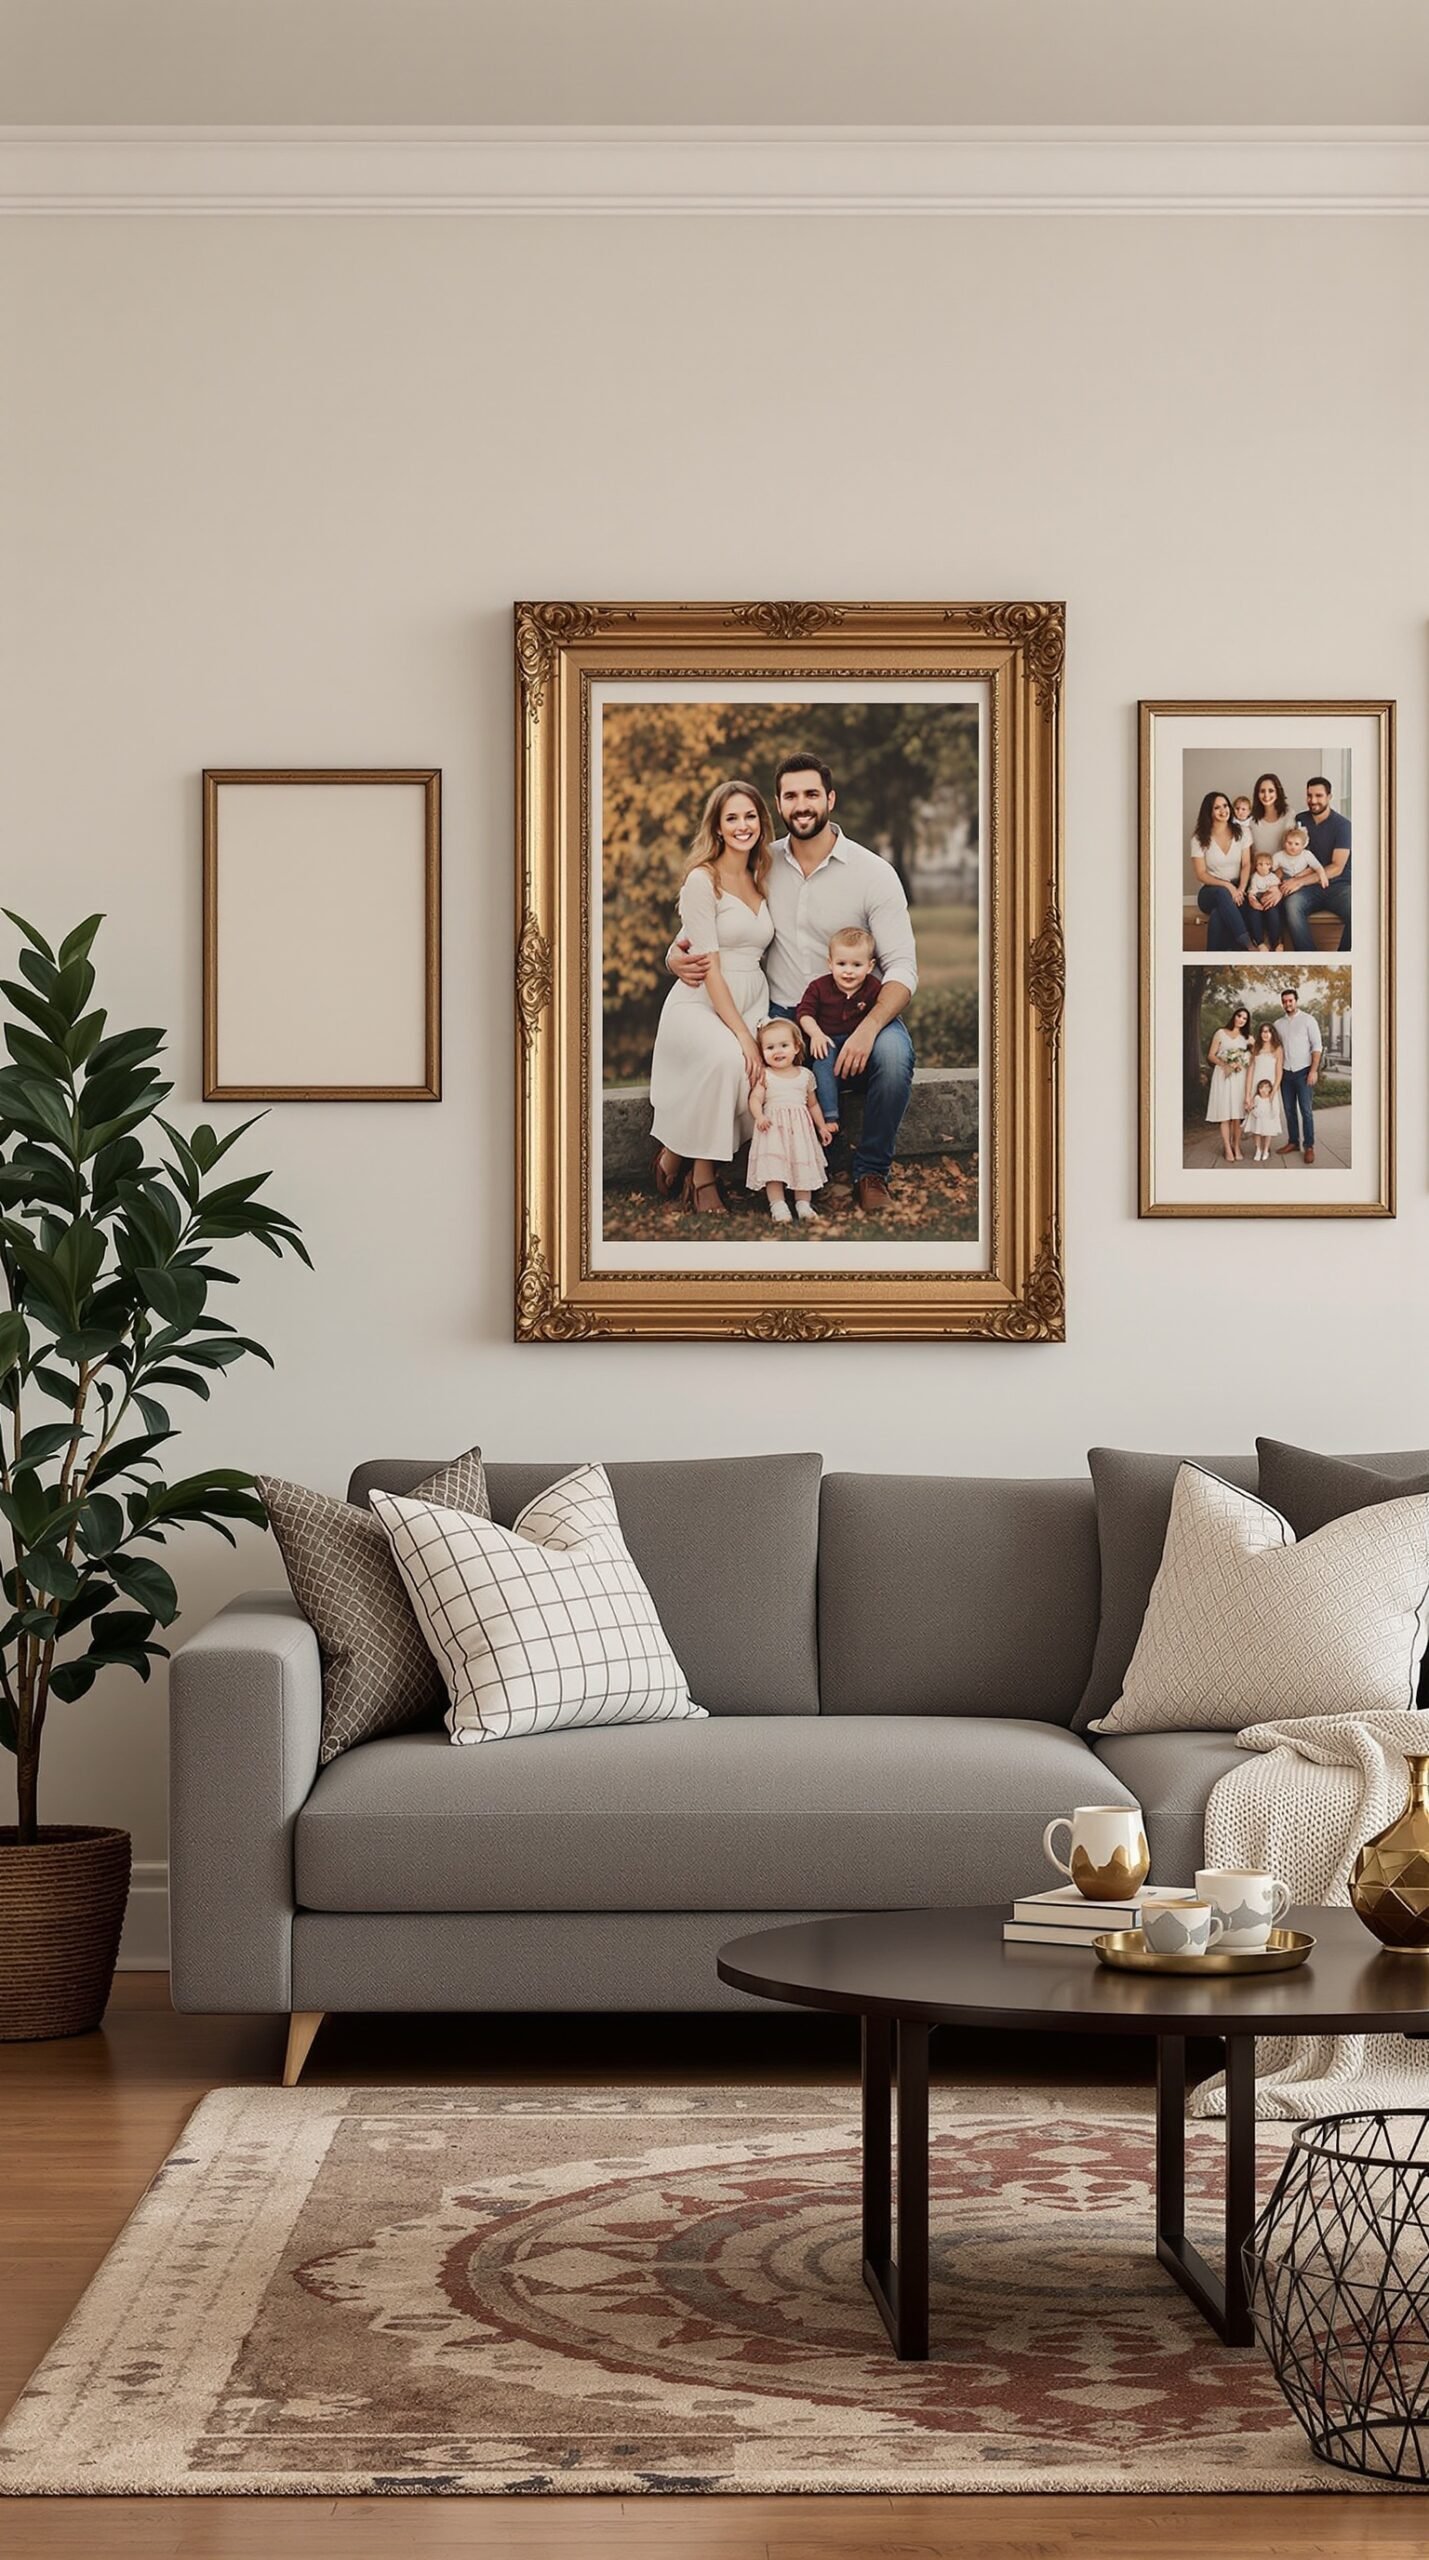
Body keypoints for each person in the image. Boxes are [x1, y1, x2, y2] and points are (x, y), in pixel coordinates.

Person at [670, 752, 917, 1215]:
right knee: (747, 1066)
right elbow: (711, 922)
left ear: (830, 799)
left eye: (810, 794)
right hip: (783, 1009)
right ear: (779, 806)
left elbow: (903, 967)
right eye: (790, 796)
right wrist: (673, 955)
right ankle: (749, 1168)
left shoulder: (873, 873)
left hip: (859, 1010)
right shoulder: (763, 863)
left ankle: (870, 1172)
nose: (801, 804)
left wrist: (870, 1028)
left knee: (894, 1055)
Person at [648, 779, 774, 1216]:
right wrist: (741, 1034)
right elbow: (708, 963)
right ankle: (702, 1178)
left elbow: (684, 938)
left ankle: (677, 1156)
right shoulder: (702, 881)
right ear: (718, 827)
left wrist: (671, 952)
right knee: (732, 1059)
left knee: (753, 1068)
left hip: (753, 998)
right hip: (701, 999)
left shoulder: (764, 874)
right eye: (732, 818)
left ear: (762, 820)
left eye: (750, 816)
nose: (743, 826)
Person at [797, 924, 882, 1141]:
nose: (848, 971)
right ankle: (829, 1116)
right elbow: (804, 1013)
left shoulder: (873, 988)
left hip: (858, 1041)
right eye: (841, 963)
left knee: (878, 1057)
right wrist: (816, 1034)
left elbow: (879, 1016)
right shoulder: (819, 987)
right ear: (830, 963)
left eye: (857, 964)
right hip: (829, 1039)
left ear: (870, 966)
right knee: (822, 1059)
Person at [746, 1017, 831, 1223]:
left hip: (800, 1131)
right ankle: (778, 1205)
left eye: (784, 1045)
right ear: (762, 1051)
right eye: (770, 1047)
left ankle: (803, 1204)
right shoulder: (765, 1075)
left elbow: (813, 1104)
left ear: (796, 1047)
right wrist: (759, 1116)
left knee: (803, 1165)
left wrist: (822, 1127)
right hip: (773, 1130)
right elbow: (755, 1098)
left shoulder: (805, 1075)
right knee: (774, 1169)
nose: (777, 1051)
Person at [1280, 776, 1352, 952]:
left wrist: (1299, 882)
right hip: (1309, 889)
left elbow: (1337, 867)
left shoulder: (1343, 825)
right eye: (1309, 795)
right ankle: (1308, 958)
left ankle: (1341, 959)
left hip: (1339, 886)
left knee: (1358, 908)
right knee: (1292, 905)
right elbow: (1293, 855)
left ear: (1329, 796)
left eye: (1319, 796)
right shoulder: (1300, 820)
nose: (1313, 801)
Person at [1189, 791, 1253, 950]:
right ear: (1208, 811)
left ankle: (1212, 960)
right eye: (1217, 807)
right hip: (1210, 892)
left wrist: (1240, 889)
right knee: (1221, 893)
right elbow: (1201, 874)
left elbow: (1246, 864)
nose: (1223, 810)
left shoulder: (1243, 832)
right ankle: (1248, 944)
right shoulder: (1198, 839)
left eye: (1225, 805)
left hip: (1239, 889)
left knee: (1218, 915)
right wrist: (1228, 886)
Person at [1274, 986, 1322, 1162]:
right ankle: (1293, 1142)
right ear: (1282, 1003)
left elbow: (1316, 1046)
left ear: (1296, 1001)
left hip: (1303, 1072)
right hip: (1286, 1074)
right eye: (1284, 1001)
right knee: (1288, 1110)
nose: (1287, 1003)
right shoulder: (1277, 1024)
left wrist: (1313, 1071)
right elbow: (1272, 1047)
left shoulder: (1308, 1020)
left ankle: (1309, 1146)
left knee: (1306, 1111)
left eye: (1290, 1000)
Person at [1205, 1003, 1252, 1163]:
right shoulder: (1220, 1033)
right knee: (1225, 1115)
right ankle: (1227, 1148)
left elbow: (1252, 1058)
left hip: (1239, 1078)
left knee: (1237, 1116)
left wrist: (1242, 1061)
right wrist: (1225, 1064)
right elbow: (1211, 1055)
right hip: (1223, 1076)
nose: (1241, 1020)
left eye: (1245, 1018)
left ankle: (1236, 1146)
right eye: (1239, 1016)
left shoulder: (1246, 1038)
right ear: (1234, 1016)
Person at [1245, 849, 1284, 948]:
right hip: (1258, 898)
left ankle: (1277, 943)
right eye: (1260, 864)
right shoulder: (1255, 877)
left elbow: (1278, 887)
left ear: (1270, 866)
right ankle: (1259, 942)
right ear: (1256, 866)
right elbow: (1252, 891)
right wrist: (1252, 898)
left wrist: (1273, 891)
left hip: (1270, 897)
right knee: (1254, 913)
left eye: (1266, 864)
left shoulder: (1272, 877)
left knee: (1273, 912)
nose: (1263, 867)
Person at [1244, 1078, 1282, 1164]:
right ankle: (1258, 1149)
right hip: (1258, 1119)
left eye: (1266, 1087)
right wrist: (1249, 1108)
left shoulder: (1271, 1098)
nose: (1263, 1090)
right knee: (1257, 1133)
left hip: (1268, 1120)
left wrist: (1273, 1116)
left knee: (1268, 1134)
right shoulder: (1257, 1098)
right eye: (1261, 1088)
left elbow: (1275, 1110)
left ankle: (1266, 1150)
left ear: (1270, 1089)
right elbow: (1252, 1107)